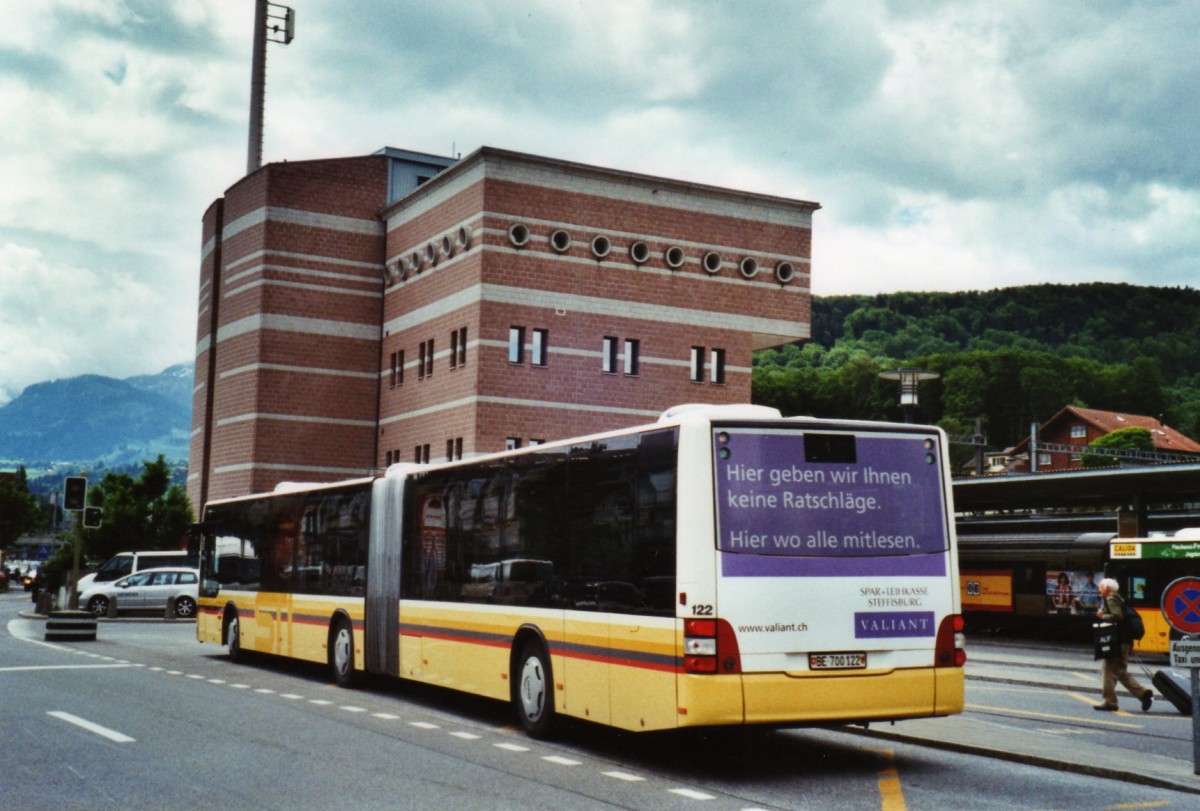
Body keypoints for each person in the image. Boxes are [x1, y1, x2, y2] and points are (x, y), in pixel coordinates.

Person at [1094, 578, 1153, 712]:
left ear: (1108, 589)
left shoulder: (1111, 599)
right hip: (1124, 641)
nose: (1099, 590)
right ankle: (1143, 695)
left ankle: (1110, 701)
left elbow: (1117, 616)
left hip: (1117, 642)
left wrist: (1102, 616)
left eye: (1101, 587)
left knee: (1108, 670)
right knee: (1120, 671)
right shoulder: (1119, 599)